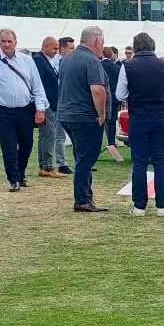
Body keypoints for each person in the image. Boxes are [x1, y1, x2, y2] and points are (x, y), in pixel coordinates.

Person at [116, 33, 164, 218]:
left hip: (139, 119)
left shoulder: (127, 66)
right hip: (161, 118)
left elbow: (120, 95)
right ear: (153, 46)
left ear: (135, 47)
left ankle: (139, 207)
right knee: (161, 162)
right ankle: (162, 207)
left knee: (139, 162)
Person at [0, 30, 47, 192]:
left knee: (27, 144)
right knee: (9, 145)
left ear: (16, 42)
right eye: (3, 41)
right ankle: (13, 179)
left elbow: (37, 87)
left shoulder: (27, 61)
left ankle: (20, 173)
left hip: (25, 110)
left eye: (9, 41)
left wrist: (40, 109)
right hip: (2, 111)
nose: (6, 45)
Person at [57, 24, 110, 213]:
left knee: (81, 157)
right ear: (96, 41)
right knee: (86, 159)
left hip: (67, 114)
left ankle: (85, 196)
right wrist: (102, 114)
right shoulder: (91, 61)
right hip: (85, 116)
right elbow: (97, 90)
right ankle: (82, 199)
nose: (103, 45)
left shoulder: (67, 59)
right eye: (102, 41)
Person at [32, 36, 71, 178]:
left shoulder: (45, 60)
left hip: (50, 103)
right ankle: (47, 166)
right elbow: (39, 85)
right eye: (54, 48)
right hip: (46, 104)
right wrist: (41, 105)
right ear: (45, 46)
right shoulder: (39, 61)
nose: (56, 51)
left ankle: (45, 165)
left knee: (46, 136)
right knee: (49, 135)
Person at [101, 47, 123, 160]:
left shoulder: (98, 66)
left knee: (100, 121)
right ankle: (111, 143)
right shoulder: (117, 68)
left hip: (101, 97)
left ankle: (99, 143)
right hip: (114, 99)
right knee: (112, 122)